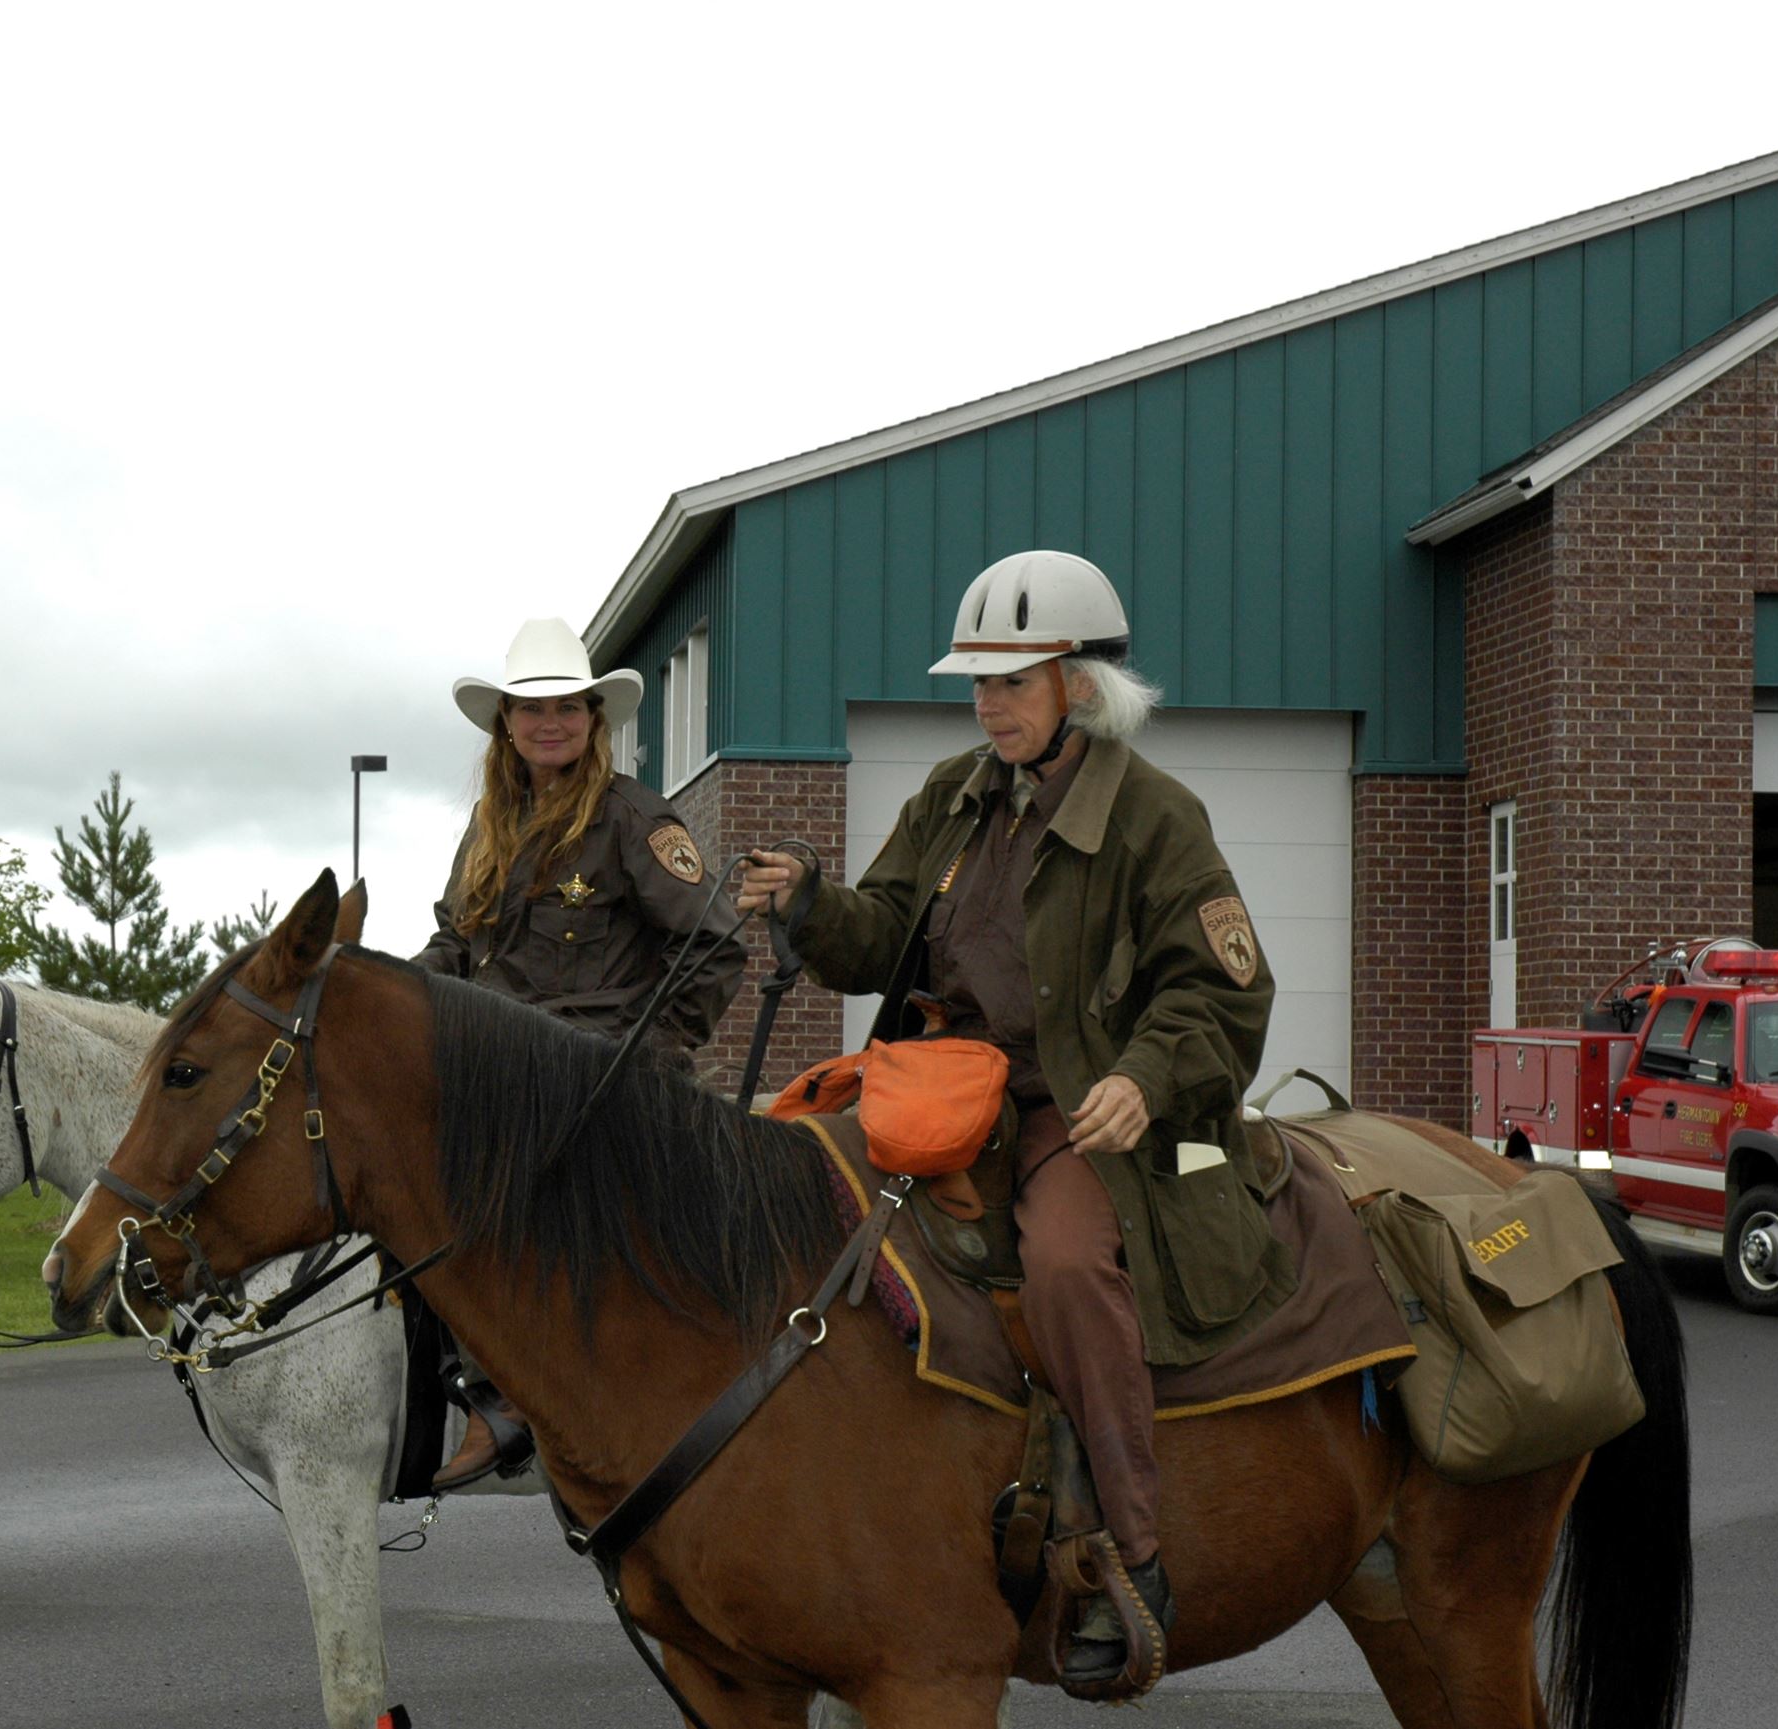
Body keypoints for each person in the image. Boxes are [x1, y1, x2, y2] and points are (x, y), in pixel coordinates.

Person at [735, 550, 1293, 1684]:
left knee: (1068, 1272)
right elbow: (876, 931)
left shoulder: (1156, 817)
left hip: (1068, 1114)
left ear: (1079, 688)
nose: (984, 703)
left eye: (1010, 682)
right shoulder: (950, 793)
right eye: (976, 684)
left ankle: (1130, 1556)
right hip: (935, 1094)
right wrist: (807, 903)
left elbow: (1225, 992)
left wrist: (1142, 1074)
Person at [417, 615, 744, 1485]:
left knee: (482, 1195)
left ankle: (511, 1399)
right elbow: (453, 944)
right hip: (489, 1060)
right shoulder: (488, 827)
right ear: (507, 727)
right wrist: (390, 996)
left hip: (590, 1070)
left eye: (567, 706)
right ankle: (443, 1394)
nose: (549, 722)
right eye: (532, 709)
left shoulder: (634, 818)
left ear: (595, 720)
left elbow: (715, 945)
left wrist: (651, 1057)